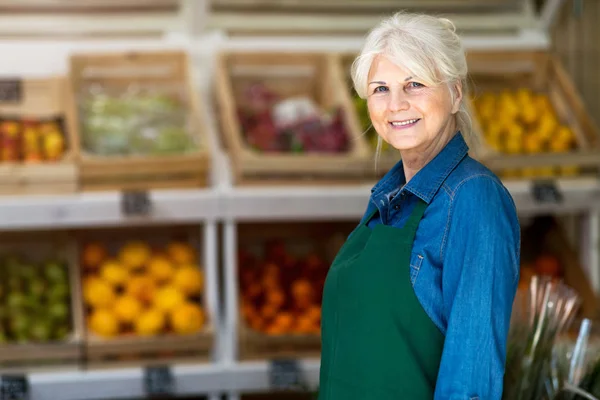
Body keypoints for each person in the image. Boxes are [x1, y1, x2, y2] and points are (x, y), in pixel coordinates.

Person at [318, 11, 521, 400]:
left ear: (456, 93)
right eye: (381, 89)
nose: (396, 104)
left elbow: (472, 379)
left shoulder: (474, 199)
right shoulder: (389, 200)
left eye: (415, 84)